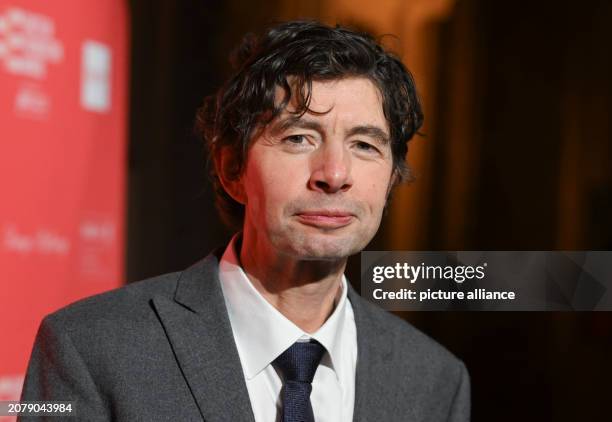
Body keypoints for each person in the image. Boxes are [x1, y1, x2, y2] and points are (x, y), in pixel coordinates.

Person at [20, 20, 470, 421]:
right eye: (298, 137)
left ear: (391, 178)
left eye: (365, 146)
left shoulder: (435, 380)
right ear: (232, 169)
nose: (334, 174)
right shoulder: (89, 347)